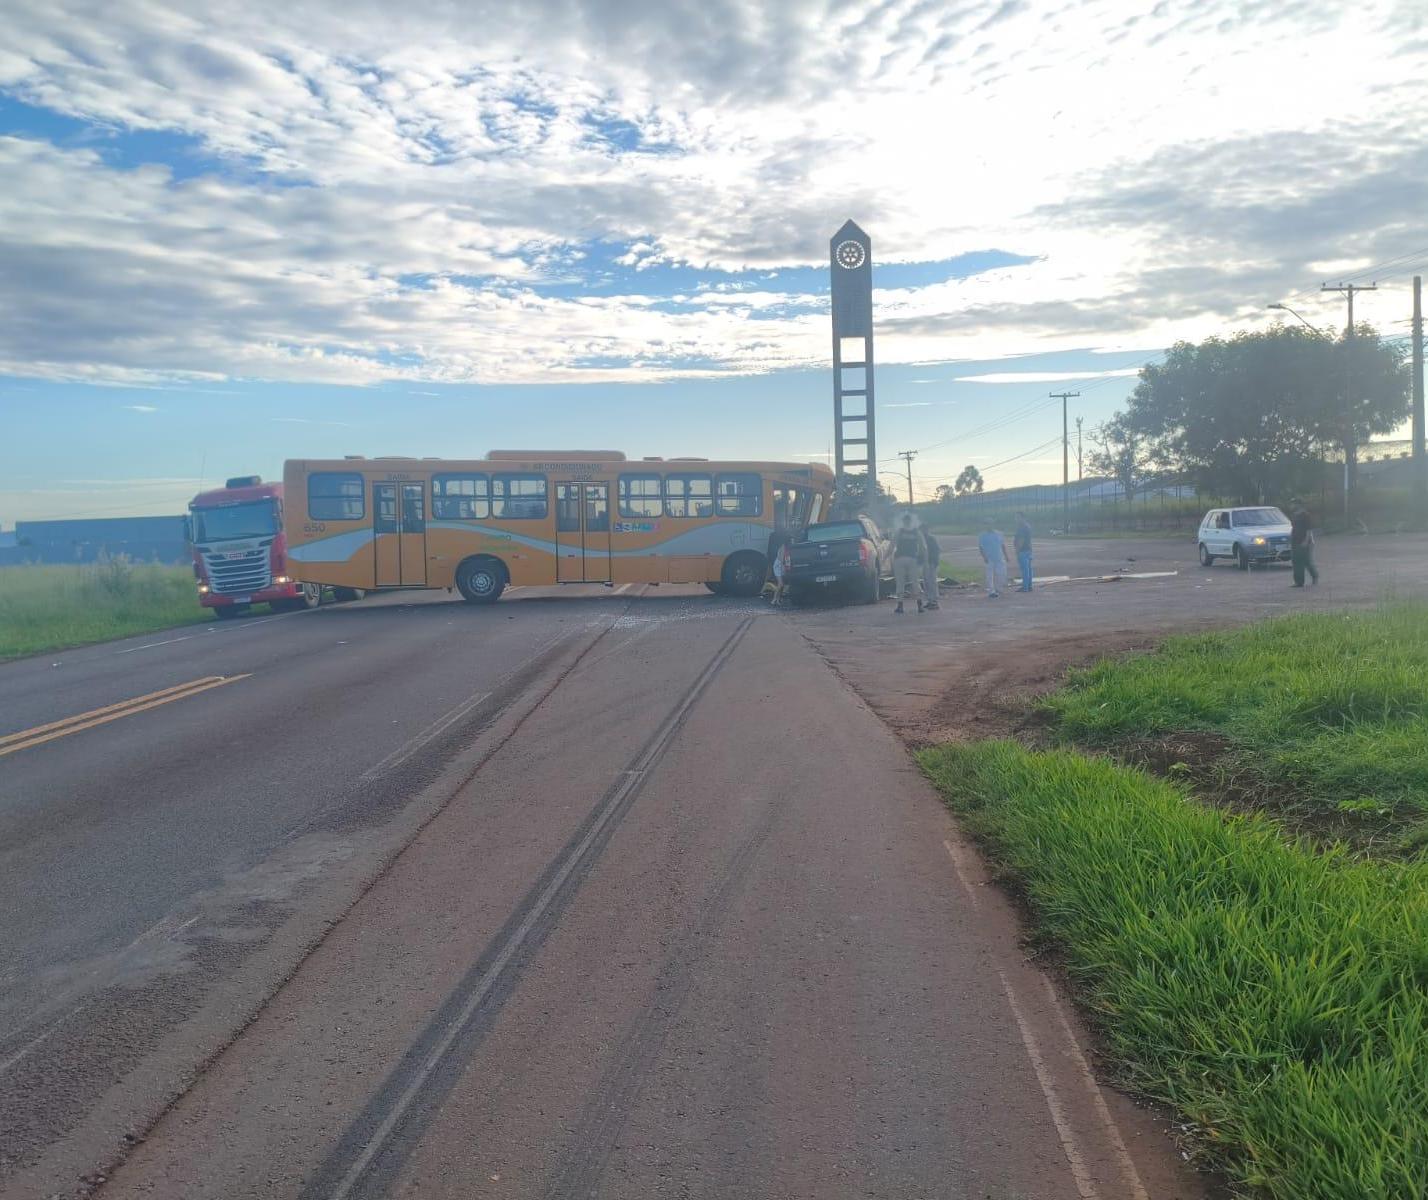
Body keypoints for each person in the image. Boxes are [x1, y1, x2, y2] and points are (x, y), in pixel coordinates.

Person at [891, 512, 926, 614]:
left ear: (903, 522)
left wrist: (885, 558)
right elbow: (923, 547)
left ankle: (900, 606)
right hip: (912, 559)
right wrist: (924, 558)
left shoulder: (899, 532)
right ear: (911, 522)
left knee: (900, 582)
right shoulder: (916, 532)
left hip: (900, 558)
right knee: (915, 582)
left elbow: (891, 546)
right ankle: (920, 605)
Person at [1290, 503, 1319, 587]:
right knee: (1296, 562)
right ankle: (1299, 582)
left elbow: (1309, 529)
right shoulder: (1294, 515)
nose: (1291, 505)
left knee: (1306, 561)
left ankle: (1315, 576)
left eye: (1293, 503)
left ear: (1298, 504)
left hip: (1304, 541)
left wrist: (1306, 541)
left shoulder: (1306, 515)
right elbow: (1293, 528)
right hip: (1295, 541)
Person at [977, 523, 1010, 598]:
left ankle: (998, 588)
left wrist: (1006, 556)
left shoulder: (999, 534)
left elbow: (1002, 545)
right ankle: (991, 591)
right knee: (989, 576)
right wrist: (984, 557)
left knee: (1001, 574)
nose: (989, 526)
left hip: (999, 557)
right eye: (987, 524)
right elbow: (981, 547)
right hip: (989, 558)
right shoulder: (982, 535)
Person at [922, 525, 942, 610]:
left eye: (924, 529)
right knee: (926, 582)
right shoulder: (922, 539)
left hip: (931, 563)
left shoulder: (931, 539)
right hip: (925, 563)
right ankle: (930, 600)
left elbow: (937, 550)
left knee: (932, 582)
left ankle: (935, 601)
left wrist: (935, 561)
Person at [1013, 512, 1033, 592]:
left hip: (1023, 551)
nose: (1016, 519)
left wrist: (1017, 551)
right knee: (1028, 569)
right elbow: (1029, 540)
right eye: (1015, 517)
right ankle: (1029, 586)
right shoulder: (1028, 526)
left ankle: (1025, 587)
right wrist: (1031, 550)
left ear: (1023, 518)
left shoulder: (1022, 527)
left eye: (1018, 517)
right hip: (1028, 550)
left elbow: (1021, 540)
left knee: (1025, 570)